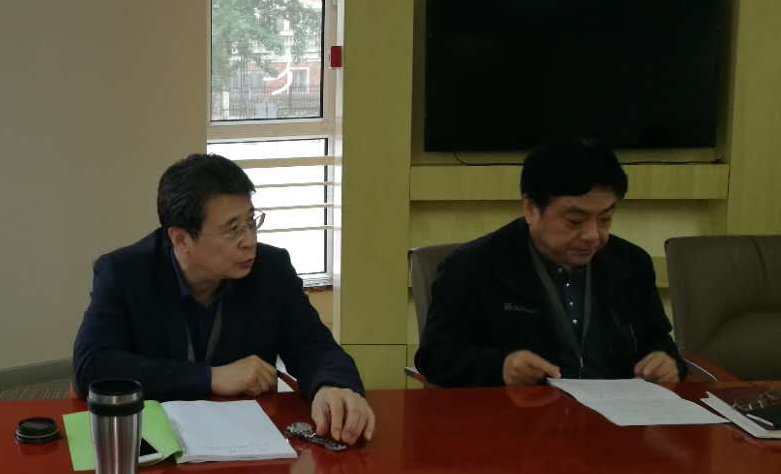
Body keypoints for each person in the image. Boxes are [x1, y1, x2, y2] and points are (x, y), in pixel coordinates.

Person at [73, 154, 374, 444]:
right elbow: (91, 366)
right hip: (154, 444)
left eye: (251, 222)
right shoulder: (124, 273)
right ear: (181, 239)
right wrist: (210, 378)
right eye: (233, 230)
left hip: (247, 445)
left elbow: (315, 347)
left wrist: (332, 385)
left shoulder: (271, 270)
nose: (250, 241)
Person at [415, 138, 685, 388]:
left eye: (604, 219)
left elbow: (657, 340)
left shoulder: (631, 263)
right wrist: (500, 367)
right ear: (531, 209)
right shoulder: (472, 267)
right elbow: (435, 357)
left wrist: (666, 362)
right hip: (520, 415)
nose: (592, 235)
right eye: (575, 221)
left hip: (618, 415)